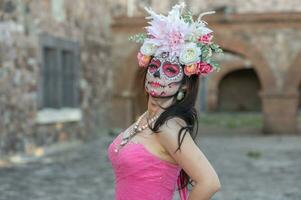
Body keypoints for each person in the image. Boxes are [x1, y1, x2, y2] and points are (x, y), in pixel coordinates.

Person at [107, 2, 223, 200]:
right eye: (153, 67)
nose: (157, 75)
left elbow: (210, 182)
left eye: (170, 70)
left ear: (184, 85)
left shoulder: (168, 127)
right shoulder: (148, 117)